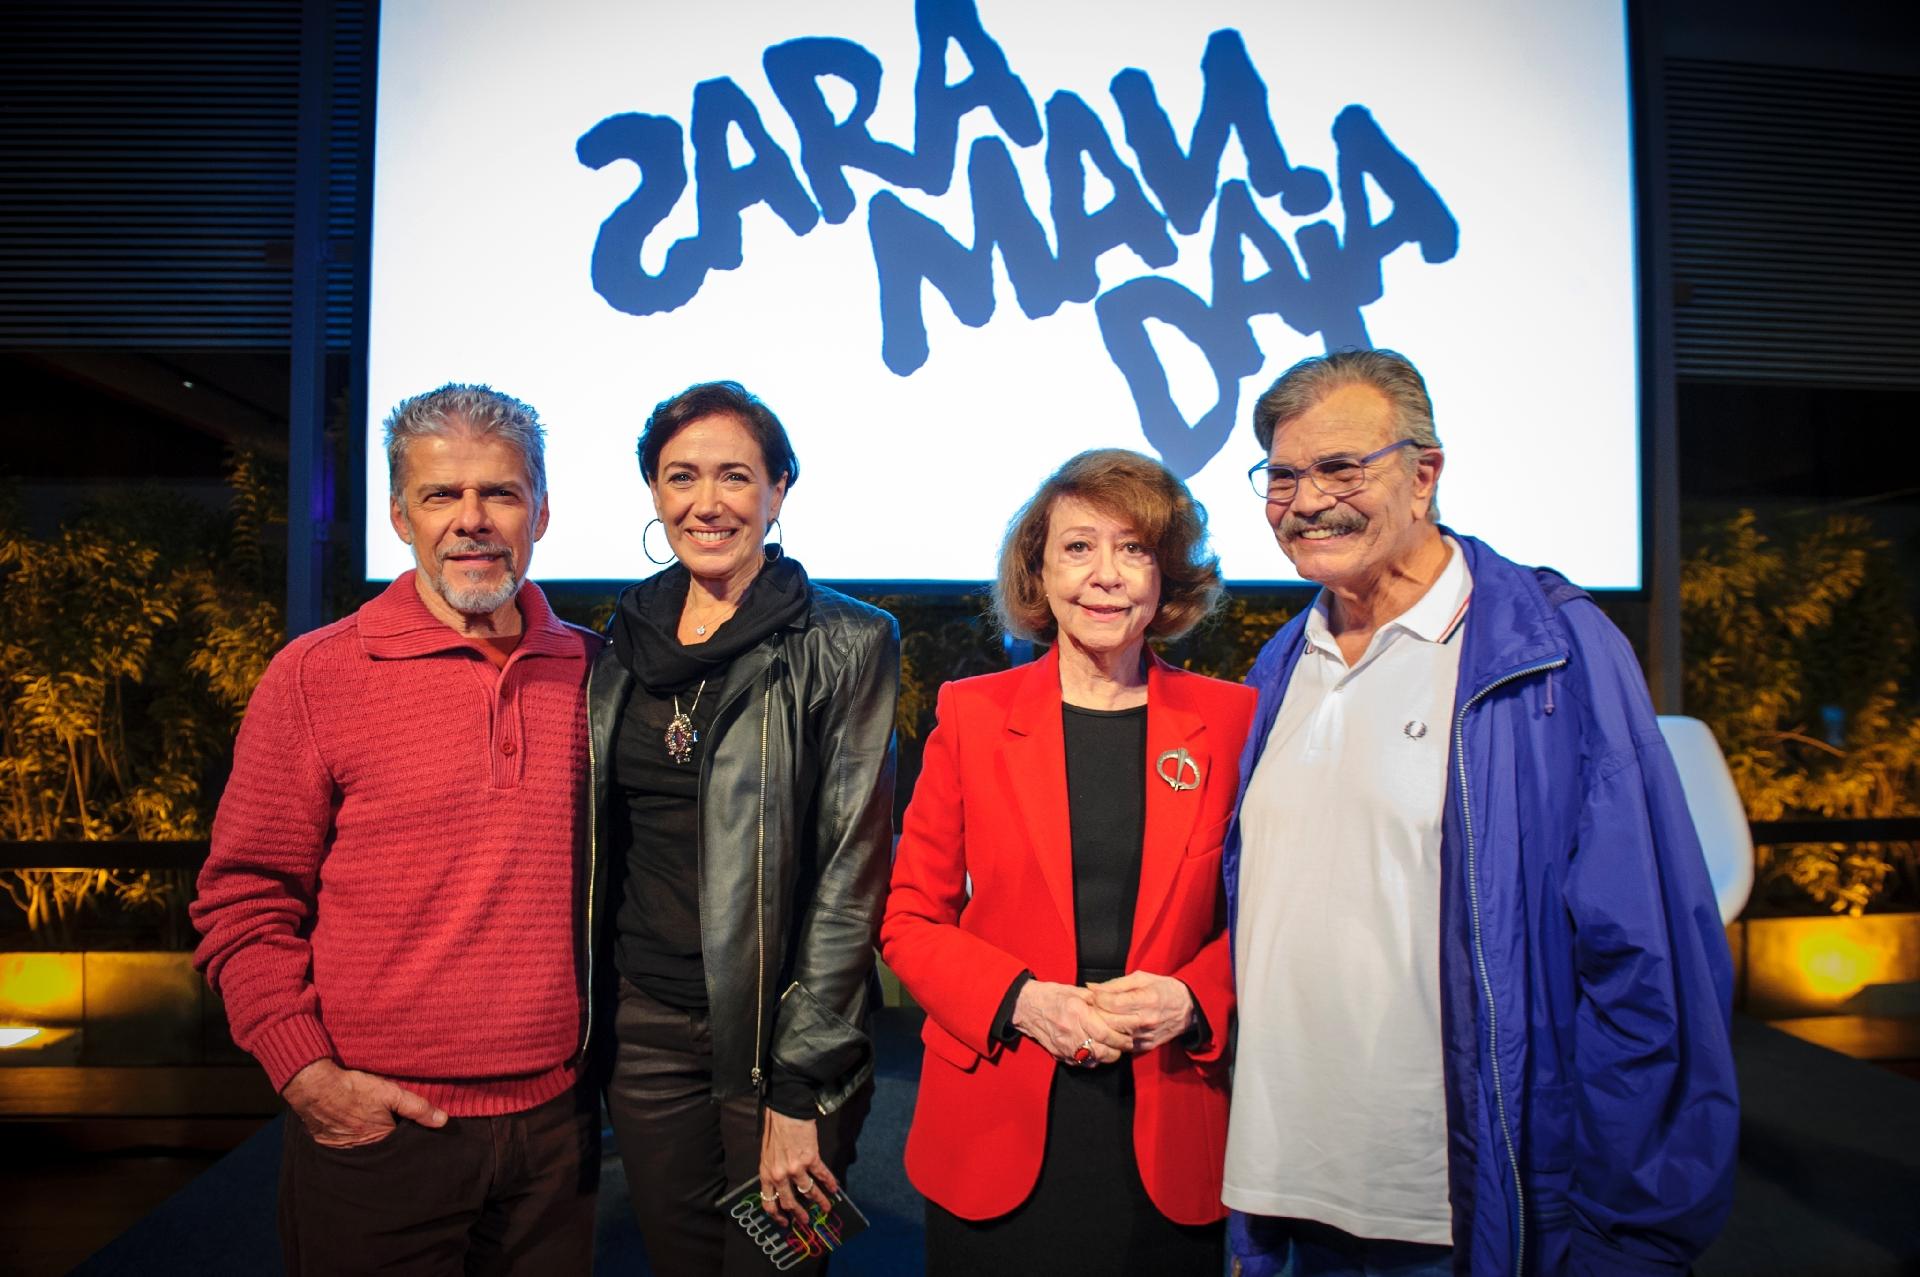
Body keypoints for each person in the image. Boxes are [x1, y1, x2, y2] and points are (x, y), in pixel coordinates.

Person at [1223, 348, 1739, 1277]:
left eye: (1341, 467)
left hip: (1462, 1207)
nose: (1306, 500)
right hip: (1283, 1193)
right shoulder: (1276, 670)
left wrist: (1632, 1232)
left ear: (1424, 476)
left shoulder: (1548, 652)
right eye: (1283, 475)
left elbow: (1647, 955)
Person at [192, 384, 602, 1274]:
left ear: (541, 509)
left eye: (499, 492)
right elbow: (244, 900)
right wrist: (306, 1075)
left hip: (556, 1133)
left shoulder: (597, 673)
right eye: (440, 495)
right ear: (398, 514)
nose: (472, 520)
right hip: (377, 1132)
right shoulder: (315, 675)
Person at [882, 448, 1255, 1277]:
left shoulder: (1231, 721)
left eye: (1135, 549)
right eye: (1079, 547)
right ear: (1039, 572)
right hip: (1001, 1095)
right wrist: (1019, 1000)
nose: (1107, 576)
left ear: (1168, 575)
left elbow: (1265, 918)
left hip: (1168, 1107)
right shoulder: (972, 715)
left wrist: (1194, 995)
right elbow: (909, 917)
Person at [589, 380, 899, 1276]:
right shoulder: (621, 640)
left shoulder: (848, 640)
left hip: (786, 1044)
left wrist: (802, 1081)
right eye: (681, 475)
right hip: (644, 1031)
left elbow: (852, 873)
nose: (707, 501)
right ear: (654, 491)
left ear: (779, 490)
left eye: (735, 475)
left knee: (786, 1267)